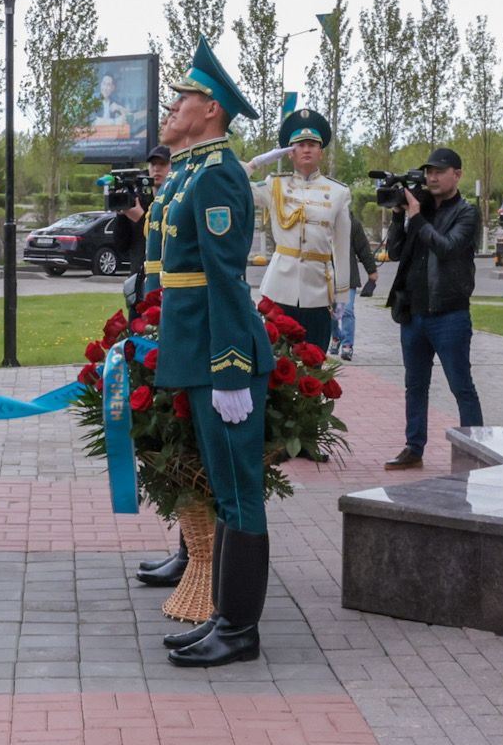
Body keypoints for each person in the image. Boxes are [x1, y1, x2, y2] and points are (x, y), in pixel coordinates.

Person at [151, 42, 271, 667]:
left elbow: (226, 279)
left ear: (212, 110)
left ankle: (240, 629)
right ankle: (225, 616)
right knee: (225, 490)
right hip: (196, 348)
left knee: (239, 490)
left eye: (184, 100)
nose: (173, 108)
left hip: (220, 356)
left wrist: (230, 369)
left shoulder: (220, 173)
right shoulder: (196, 169)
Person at [382, 148, 484, 469]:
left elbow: (448, 248)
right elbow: (395, 252)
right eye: (429, 172)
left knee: (461, 386)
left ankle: (474, 448)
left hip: (449, 314)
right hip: (413, 313)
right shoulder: (419, 209)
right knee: (415, 385)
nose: (432, 177)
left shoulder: (467, 212)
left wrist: (416, 217)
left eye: (440, 171)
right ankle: (414, 447)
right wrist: (400, 215)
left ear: (457, 174)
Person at [248, 110, 358, 374]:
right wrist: (253, 164)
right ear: (289, 152)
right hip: (279, 289)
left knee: (313, 367)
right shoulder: (274, 185)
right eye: (300, 145)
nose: (306, 149)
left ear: (321, 152)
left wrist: (342, 295)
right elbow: (234, 185)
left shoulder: (339, 192)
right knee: (275, 365)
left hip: (318, 292)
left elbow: (342, 248)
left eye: (312, 145)